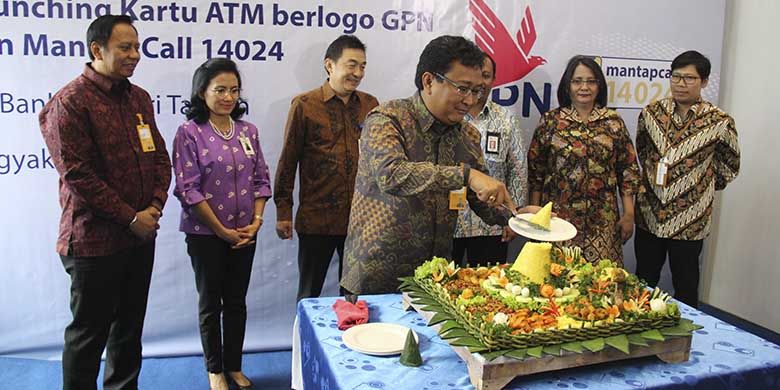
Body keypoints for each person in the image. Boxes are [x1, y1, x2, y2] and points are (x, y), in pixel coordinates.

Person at [341, 35, 537, 295]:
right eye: (462, 88)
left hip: (434, 279)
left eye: (477, 90)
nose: (470, 100)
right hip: (376, 277)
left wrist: (518, 215)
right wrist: (466, 176)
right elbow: (392, 175)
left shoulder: (467, 136)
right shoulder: (388, 118)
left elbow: (483, 202)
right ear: (429, 81)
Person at [38, 15, 171, 390]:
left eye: (137, 47)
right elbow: (78, 176)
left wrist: (154, 208)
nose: (135, 55)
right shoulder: (70, 102)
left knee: (128, 333)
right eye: (125, 47)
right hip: (93, 243)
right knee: (87, 338)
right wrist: (131, 217)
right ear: (97, 50)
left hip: (139, 238)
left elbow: (160, 158)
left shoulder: (139, 97)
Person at [172, 58, 271, 390]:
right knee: (211, 302)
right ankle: (215, 369)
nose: (228, 96)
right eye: (220, 90)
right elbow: (188, 189)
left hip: (244, 233)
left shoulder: (248, 131)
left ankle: (234, 365)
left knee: (237, 302)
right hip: (206, 235)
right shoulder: (189, 133)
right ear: (202, 92)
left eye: (234, 89)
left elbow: (261, 180)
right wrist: (221, 231)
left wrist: (256, 222)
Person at [274, 35, 379, 301]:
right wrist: (283, 212)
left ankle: (351, 341)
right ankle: (304, 343)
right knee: (309, 295)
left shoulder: (371, 105)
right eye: (351, 65)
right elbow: (288, 161)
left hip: (360, 220)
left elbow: (381, 161)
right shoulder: (305, 105)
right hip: (316, 220)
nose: (358, 73)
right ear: (330, 65)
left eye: (363, 66)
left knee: (355, 296)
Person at [634, 50, 740, 308]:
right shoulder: (652, 113)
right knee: (643, 281)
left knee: (686, 283)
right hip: (650, 214)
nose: (681, 84)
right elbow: (643, 150)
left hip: (690, 220)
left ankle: (687, 342)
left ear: (703, 81)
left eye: (689, 78)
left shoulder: (719, 121)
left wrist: (697, 187)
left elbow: (730, 165)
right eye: (676, 77)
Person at [527, 55, 640, 266]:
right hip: (557, 220)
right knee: (558, 284)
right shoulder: (551, 121)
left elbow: (628, 170)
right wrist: (535, 215)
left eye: (591, 81)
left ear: (599, 86)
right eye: (577, 81)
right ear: (567, 85)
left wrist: (629, 214)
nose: (584, 87)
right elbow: (536, 172)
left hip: (603, 224)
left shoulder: (613, 122)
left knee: (600, 284)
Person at [453, 54, 527, 266]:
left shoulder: (506, 119)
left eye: (485, 76)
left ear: (494, 79)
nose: (480, 83)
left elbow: (518, 171)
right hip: (448, 225)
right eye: (475, 76)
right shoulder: (450, 116)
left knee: (490, 288)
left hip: (492, 224)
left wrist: (514, 218)